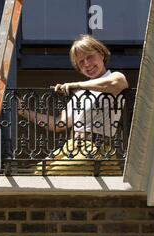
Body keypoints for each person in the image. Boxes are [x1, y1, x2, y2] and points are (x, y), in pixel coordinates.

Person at [19, 34, 129, 175]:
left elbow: (117, 83)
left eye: (89, 57)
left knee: (49, 176)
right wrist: (24, 112)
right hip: (72, 147)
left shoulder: (113, 77)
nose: (87, 64)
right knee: (37, 174)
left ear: (101, 54)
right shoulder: (80, 94)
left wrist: (76, 85)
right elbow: (60, 123)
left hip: (96, 148)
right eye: (81, 62)